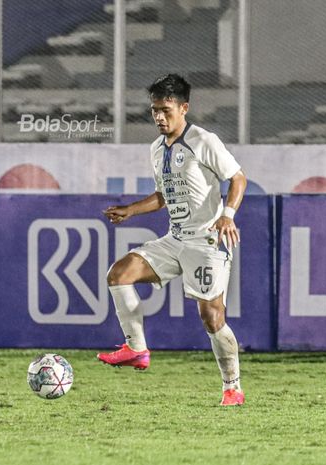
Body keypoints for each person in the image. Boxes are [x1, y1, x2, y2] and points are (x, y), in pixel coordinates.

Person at [96, 74, 248, 406]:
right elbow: (163, 197)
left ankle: (232, 387)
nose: (159, 118)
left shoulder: (203, 140)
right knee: (119, 274)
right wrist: (132, 211)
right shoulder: (156, 149)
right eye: (154, 111)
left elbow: (238, 178)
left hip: (207, 241)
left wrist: (228, 215)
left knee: (211, 317)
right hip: (174, 239)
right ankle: (136, 349)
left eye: (165, 110)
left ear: (183, 108)